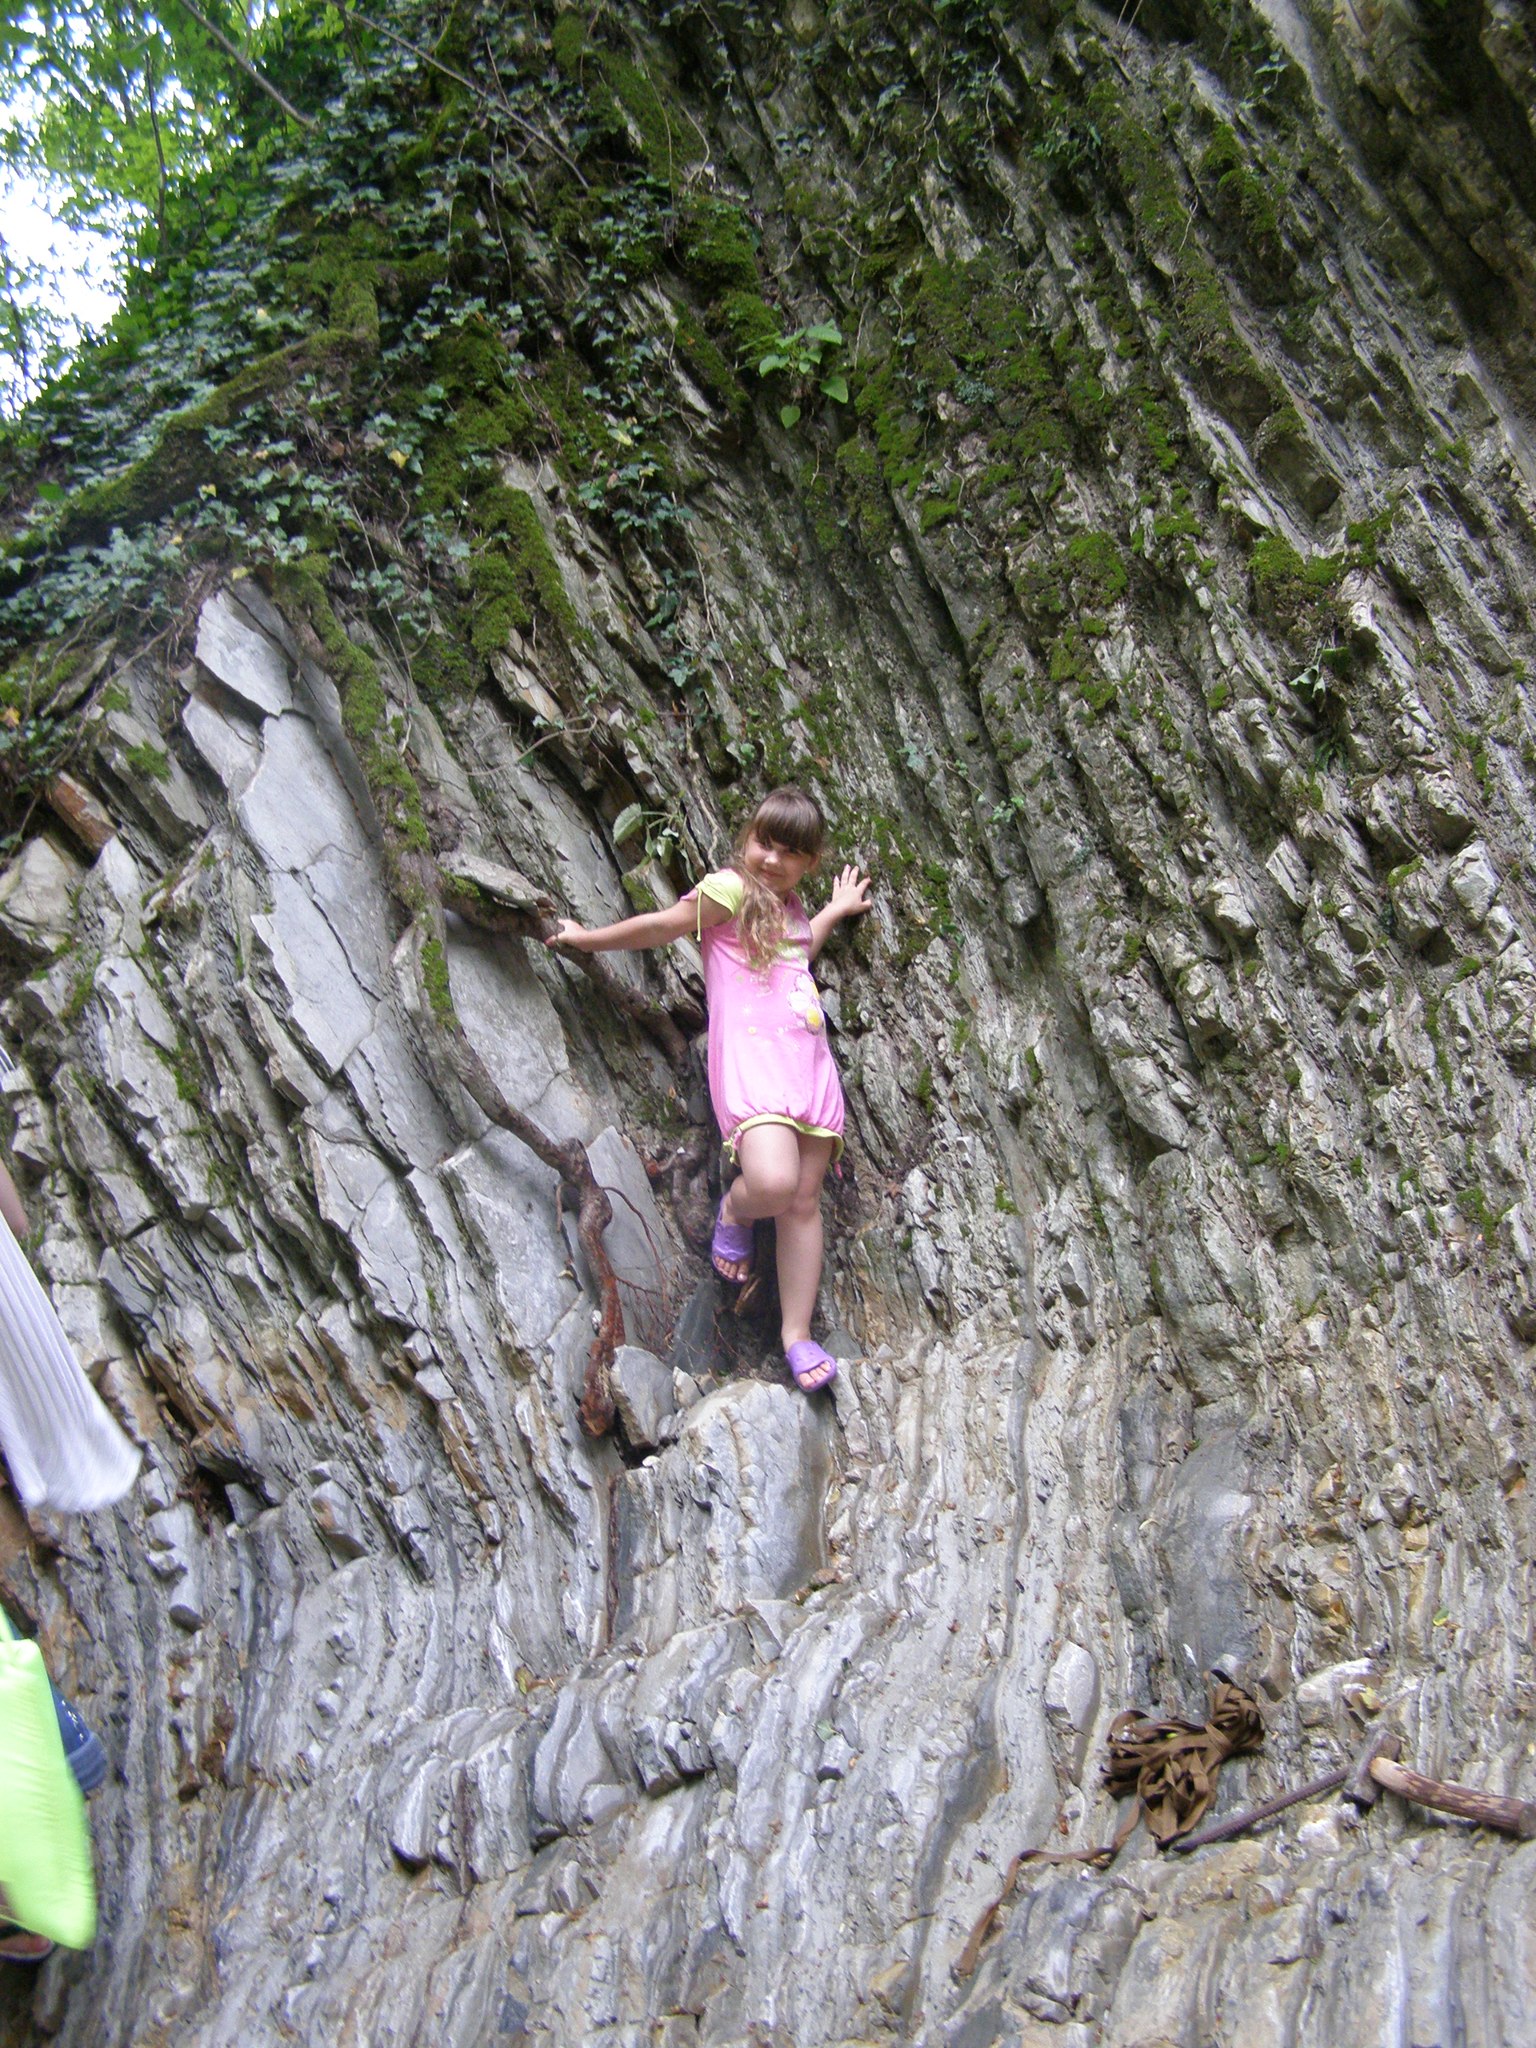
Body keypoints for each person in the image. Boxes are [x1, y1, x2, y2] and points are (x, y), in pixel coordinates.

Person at [548, 787, 872, 1392]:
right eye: (764, 843)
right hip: (753, 1069)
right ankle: (735, 1210)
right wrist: (587, 938)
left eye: (790, 853)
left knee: (803, 1202)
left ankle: (797, 1335)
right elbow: (661, 926)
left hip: (808, 1069)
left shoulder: (792, 911)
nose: (772, 859)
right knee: (772, 1183)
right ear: (747, 840)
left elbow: (798, 953)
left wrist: (833, 911)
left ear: (809, 863)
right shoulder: (729, 891)